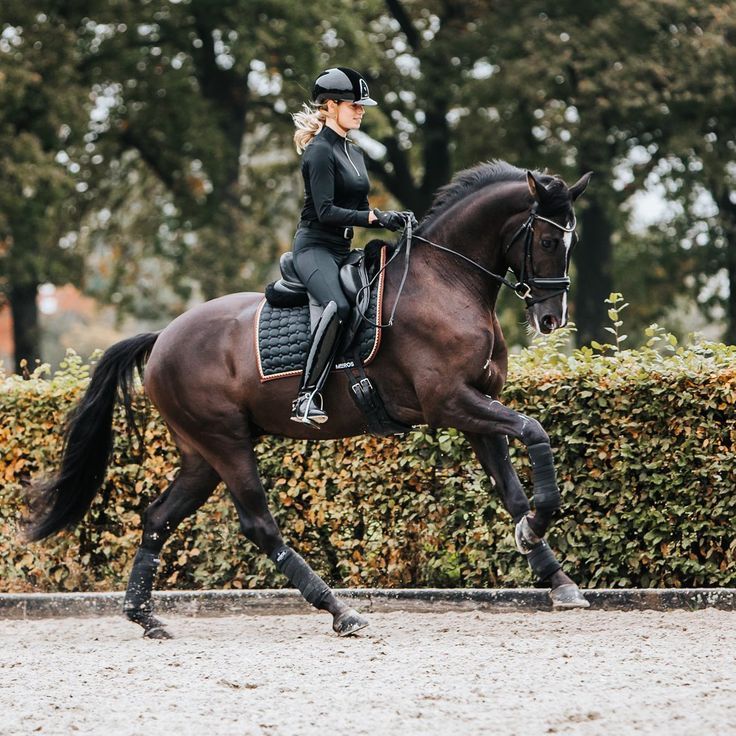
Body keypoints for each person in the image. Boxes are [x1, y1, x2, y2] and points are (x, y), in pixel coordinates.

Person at [289, 66, 416, 426]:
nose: (360, 110)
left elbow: (360, 211)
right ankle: (305, 396)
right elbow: (327, 211)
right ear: (330, 105)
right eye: (353, 104)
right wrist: (377, 218)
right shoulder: (318, 153)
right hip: (314, 248)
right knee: (339, 304)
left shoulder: (355, 154)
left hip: (344, 250)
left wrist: (392, 219)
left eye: (362, 105)